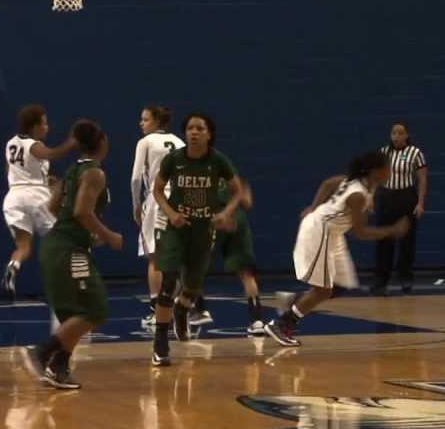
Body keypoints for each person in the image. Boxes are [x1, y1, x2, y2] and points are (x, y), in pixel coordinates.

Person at [263, 151, 408, 347]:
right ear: (376, 172)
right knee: (323, 290)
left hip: (333, 233)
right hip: (321, 231)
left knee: (343, 283)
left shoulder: (360, 184)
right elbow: (360, 233)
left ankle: (294, 301)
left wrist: (314, 206)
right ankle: (281, 324)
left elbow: (328, 183)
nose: (390, 171)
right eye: (388, 168)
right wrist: (392, 230)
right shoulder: (357, 195)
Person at [20, 120, 122, 390]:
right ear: (101, 143)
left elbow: (53, 207)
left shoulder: (73, 170)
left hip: (58, 245)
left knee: (72, 314)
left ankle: (59, 368)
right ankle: (42, 352)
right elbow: (81, 211)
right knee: (94, 308)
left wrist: (88, 233)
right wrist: (108, 235)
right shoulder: (94, 173)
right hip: (68, 249)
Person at [149, 112, 244, 367]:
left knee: (192, 286)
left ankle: (182, 310)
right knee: (168, 280)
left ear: (209, 134)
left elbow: (238, 192)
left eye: (200, 128)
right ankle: (160, 342)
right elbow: (157, 190)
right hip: (176, 227)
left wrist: (225, 213)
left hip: (203, 229)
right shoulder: (174, 159)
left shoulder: (218, 161)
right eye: (190, 128)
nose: (194, 132)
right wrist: (171, 213)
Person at [2, 104, 76, 296]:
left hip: (13, 196)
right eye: (44, 123)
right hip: (35, 196)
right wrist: (72, 142)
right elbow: (52, 154)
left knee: (23, 246)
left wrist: (45, 180)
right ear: (34, 126)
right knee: (61, 238)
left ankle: (14, 264)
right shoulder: (34, 145)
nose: (47, 127)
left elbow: (10, 171)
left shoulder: (10, 143)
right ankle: (65, 282)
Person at [131, 105, 184, 330]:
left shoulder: (145, 142)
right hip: (179, 200)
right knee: (175, 258)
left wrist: (136, 205)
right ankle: (181, 307)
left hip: (157, 197)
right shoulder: (181, 142)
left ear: (156, 122)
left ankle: (157, 310)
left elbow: (135, 179)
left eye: (145, 120)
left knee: (154, 257)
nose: (141, 124)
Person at [371, 121, 427, 295]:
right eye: (394, 133)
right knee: (384, 240)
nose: (396, 136)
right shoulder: (383, 152)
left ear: (406, 135)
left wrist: (420, 203)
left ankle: (406, 278)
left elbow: (423, 180)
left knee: (407, 241)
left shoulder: (415, 153)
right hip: (386, 197)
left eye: (400, 133)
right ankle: (381, 281)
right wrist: (370, 198)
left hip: (406, 198)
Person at [212, 177, 265, 334]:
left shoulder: (199, 175)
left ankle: (197, 310)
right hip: (237, 220)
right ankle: (257, 321)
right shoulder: (236, 177)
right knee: (247, 274)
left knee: (192, 266)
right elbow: (248, 202)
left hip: (213, 220)